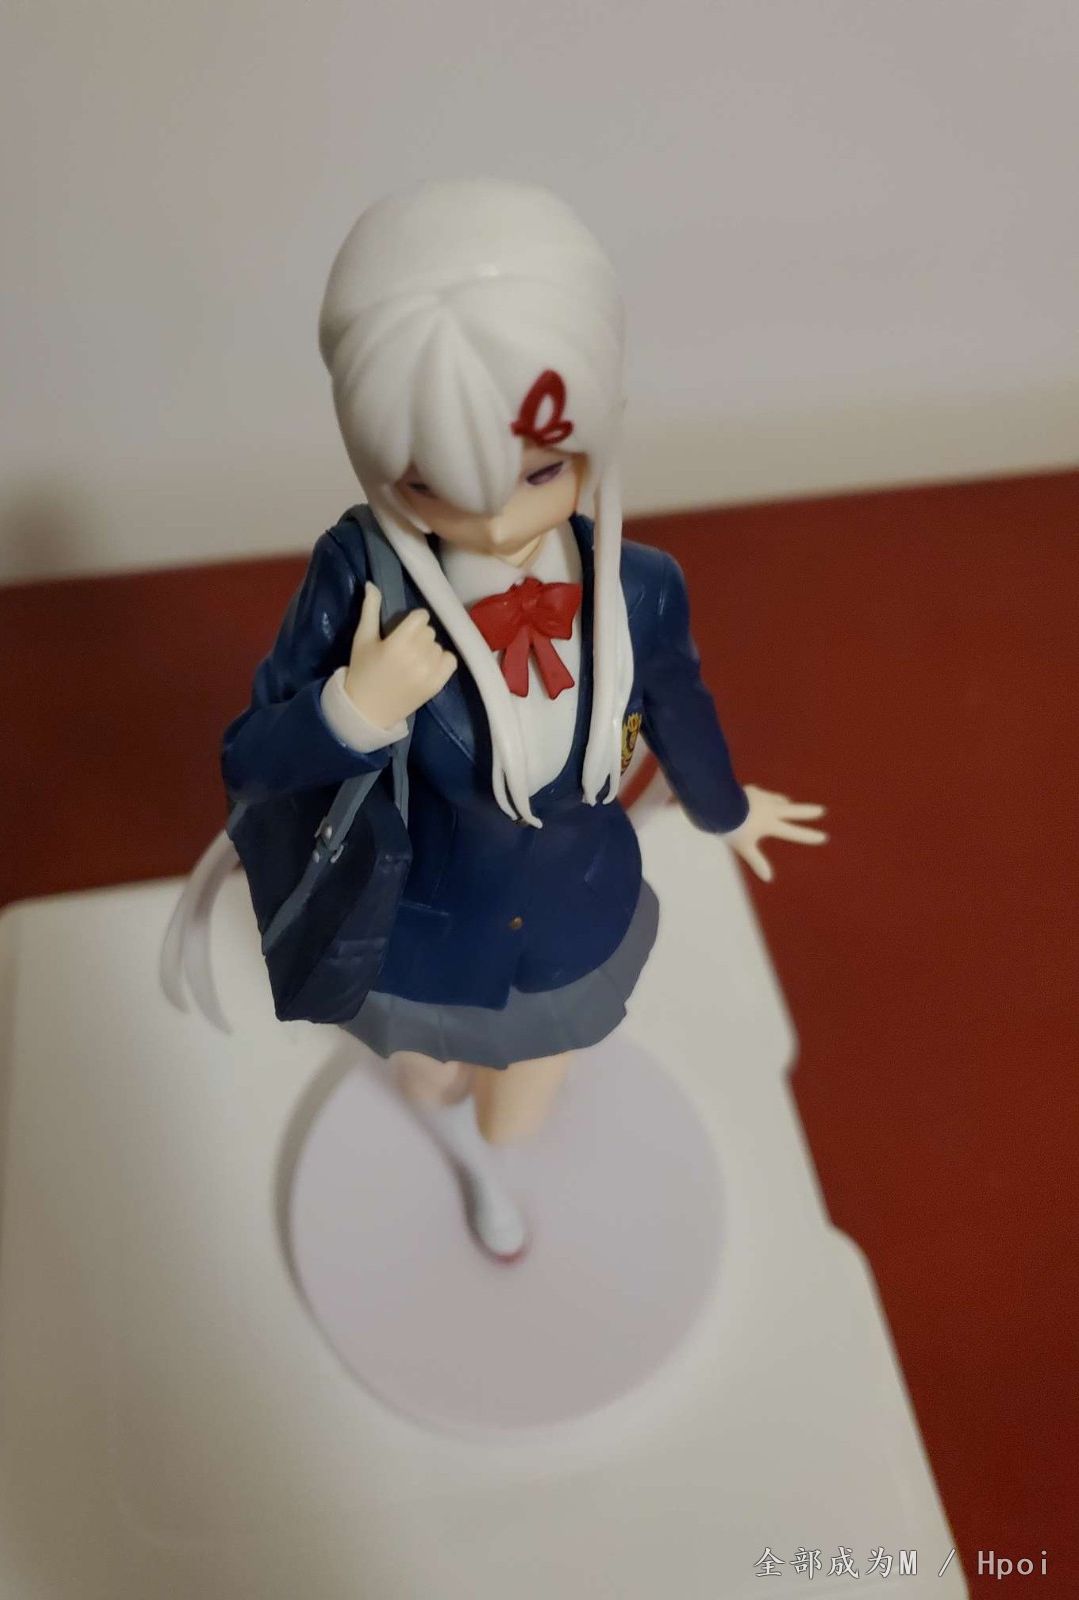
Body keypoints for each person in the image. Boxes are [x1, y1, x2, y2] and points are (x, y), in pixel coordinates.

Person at [171, 179, 826, 1262]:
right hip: (421, 929)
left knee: (518, 1111)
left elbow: (676, 701)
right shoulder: (362, 578)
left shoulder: (640, 586)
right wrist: (352, 709)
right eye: (434, 486)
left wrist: (728, 808)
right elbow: (250, 756)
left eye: (540, 471)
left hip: (572, 915)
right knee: (426, 1081)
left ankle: (496, 1166)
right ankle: (456, 1162)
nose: (495, 521)